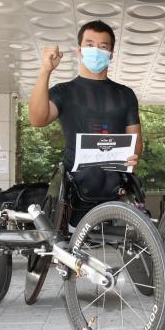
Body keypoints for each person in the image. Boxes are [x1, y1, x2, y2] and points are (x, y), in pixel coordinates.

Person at [28, 20, 141, 225]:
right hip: (75, 186)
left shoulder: (126, 94)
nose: (96, 50)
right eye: (90, 45)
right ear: (79, 50)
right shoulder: (63, 91)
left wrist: (134, 156)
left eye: (103, 46)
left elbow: (135, 142)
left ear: (111, 54)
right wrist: (45, 71)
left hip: (116, 184)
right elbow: (37, 119)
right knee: (90, 177)